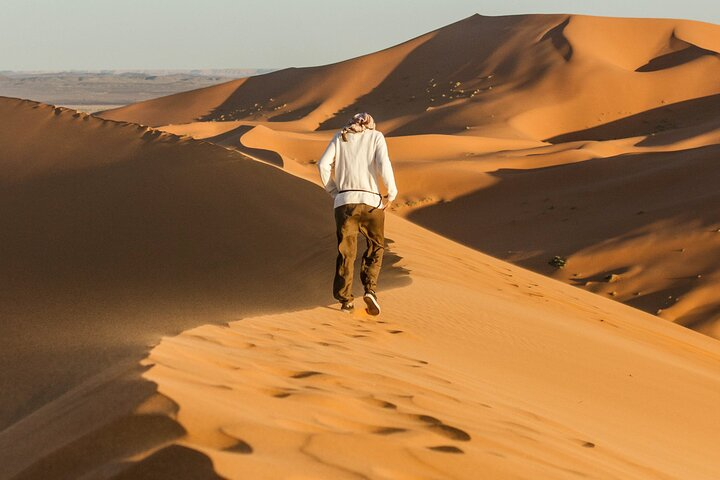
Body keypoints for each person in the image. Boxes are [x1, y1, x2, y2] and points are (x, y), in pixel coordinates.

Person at [318, 112, 398, 315]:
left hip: (345, 203)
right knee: (376, 246)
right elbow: (383, 163)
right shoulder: (376, 136)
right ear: (371, 124)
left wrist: (333, 191)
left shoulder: (340, 136)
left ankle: (346, 301)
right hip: (372, 203)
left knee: (347, 252)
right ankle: (370, 289)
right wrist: (392, 191)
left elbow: (322, 165)